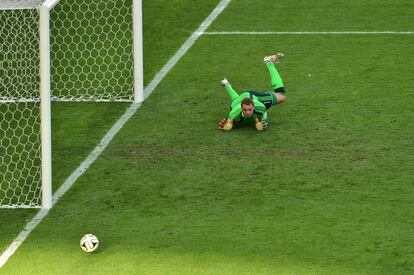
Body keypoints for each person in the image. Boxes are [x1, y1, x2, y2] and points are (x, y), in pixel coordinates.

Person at [219, 53, 287, 131]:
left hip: (254, 96)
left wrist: (264, 123)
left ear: (254, 107)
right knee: (234, 104)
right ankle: (227, 85)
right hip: (239, 101)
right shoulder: (233, 114)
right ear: (241, 108)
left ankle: (268, 62)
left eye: (250, 109)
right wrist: (226, 126)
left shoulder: (260, 107)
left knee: (282, 96)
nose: (247, 112)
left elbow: (264, 116)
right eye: (245, 110)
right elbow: (229, 124)